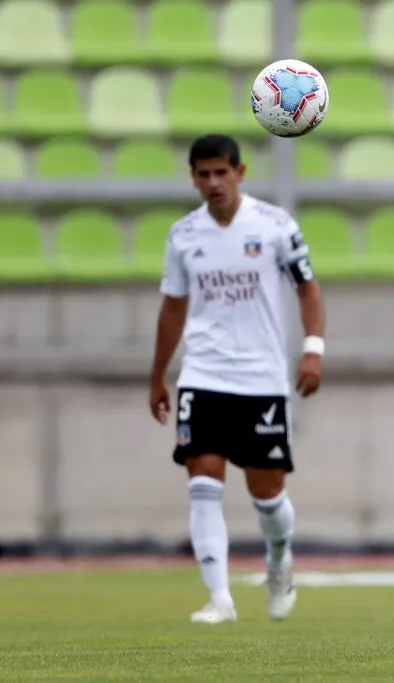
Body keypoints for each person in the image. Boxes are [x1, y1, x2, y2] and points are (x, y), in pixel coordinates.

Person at [148, 134, 326, 624]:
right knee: (202, 478)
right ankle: (219, 598)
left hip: (261, 379)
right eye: (203, 175)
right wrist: (158, 375)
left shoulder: (273, 226)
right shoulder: (183, 236)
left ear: (240, 173)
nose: (213, 183)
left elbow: (308, 290)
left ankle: (279, 561)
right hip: (203, 373)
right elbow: (172, 309)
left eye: (221, 173)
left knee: (267, 497)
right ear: (193, 179)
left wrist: (313, 349)